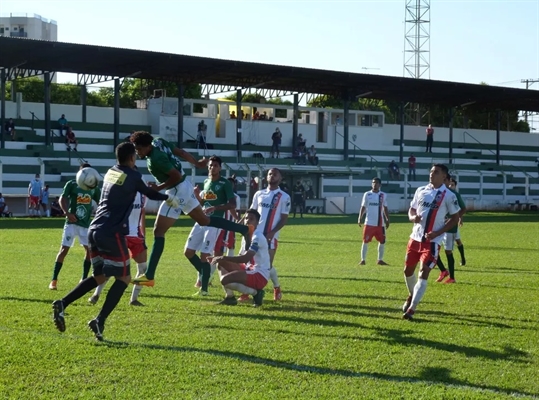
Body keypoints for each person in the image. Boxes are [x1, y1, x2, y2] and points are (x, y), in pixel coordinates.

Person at [51, 142, 177, 341]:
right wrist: (167, 198)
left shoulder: (111, 171)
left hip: (94, 229)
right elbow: (149, 193)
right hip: (112, 232)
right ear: (131, 158)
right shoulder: (133, 175)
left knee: (100, 277)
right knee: (124, 278)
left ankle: (63, 303)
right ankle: (99, 320)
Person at [129, 131, 253, 287]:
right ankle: (243, 229)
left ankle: (150, 275)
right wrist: (197, 163)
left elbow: (175, 176)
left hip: (176, 191)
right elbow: (180, 152)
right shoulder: (158, 141)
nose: (137, 152)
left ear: (147, 146)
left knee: (158, 231)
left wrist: (158, 187)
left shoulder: (156, 159)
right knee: (205, 220)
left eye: (139, 149)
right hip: (185, 187)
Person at [402, 164, 460, 320]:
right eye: (431, 171)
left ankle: (412, 309)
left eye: (436, 172)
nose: (432, 174)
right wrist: (412, 217)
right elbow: (412, 209)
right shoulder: (421, 190)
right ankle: (411, 295)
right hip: (414, 239)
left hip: (432, 242)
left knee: (423, 272)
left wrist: (438, 233)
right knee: (407, 271)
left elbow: (455, 218)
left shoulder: (449, 195)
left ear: (444, 177)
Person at [89, 186, 149, 306]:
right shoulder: (120, 193)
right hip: (121, 234)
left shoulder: (143, 194)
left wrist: (143, 233)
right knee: (112, 267)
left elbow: (142, 212)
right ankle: (96, 294)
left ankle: (133, 299)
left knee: (143, 269)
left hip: (137, 236)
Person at [185, 156, 236, 296]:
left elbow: (232, 204)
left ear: (220, 168)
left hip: (214, 222)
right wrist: (197, 196)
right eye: (210, 165)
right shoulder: (206, 182)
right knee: (188, 252)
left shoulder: (224, 183)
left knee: (205, 255)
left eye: (214, 165)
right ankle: (204, 272)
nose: (211, 167)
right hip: (201, 219)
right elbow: (204, 204)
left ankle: (204, 289)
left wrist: (215, 208)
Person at [49, 164, 101, 290]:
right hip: (71, 223)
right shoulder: (71, 184)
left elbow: (101, 203)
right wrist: (67, 212)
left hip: (85, 225)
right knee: (63, 250)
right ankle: (54, 280)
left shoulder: (93, 188)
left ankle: (83, 278)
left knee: (89, 251)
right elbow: (62, 198)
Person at [208, 209, 268, 307]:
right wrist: (218, 258)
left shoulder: (257, 237)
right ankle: (230, 297)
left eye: (251, 219)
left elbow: (245, 258)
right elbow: (242, 258)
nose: (247, 220)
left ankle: (256, 293)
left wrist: (223, 257)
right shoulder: (247, 235)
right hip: (249, 269)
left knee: (225, 280)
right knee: (221, 263)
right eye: (246, 218)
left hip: (259, 275)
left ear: (258, 222)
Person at [246, 168, 290, 301]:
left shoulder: (284, 197)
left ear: (280, 178)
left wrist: (272, 233)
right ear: (266, 177)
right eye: (270, 174)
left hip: (270, 236)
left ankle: (276, 287)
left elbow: (283, 219)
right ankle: (247, 292)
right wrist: (241, 225)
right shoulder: (259, 194)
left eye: (276, 174)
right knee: (249, 262)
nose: (272, 176)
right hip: (254, 234)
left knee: (267, 265)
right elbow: (250, 213)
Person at [435, 174, 467, 284]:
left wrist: (454, 220)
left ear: (448, 181)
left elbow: (463, 209)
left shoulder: (454, 194)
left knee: (448, 251)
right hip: (437, 226)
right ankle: (443, 271)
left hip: (449, 229)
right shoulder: (436, 192)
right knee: (432, 249)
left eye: (445, 180)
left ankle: (452, 277)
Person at [358, 177, 390, 266]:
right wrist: (360, 217)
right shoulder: (367, 194)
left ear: (380, 185)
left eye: (376, 183)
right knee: (365, 241)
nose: (374, 184)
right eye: (373, 183)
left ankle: (380, 260)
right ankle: (363, 260)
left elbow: (385, 208)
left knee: (382, 241)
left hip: (380, 224)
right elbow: (363, 206)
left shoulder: (383, 195)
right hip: (369, 223)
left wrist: (387, 219)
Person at [448, 177, 467, 266]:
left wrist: (459, 219)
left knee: (457, 241)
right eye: (449, 184)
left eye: (452, 185)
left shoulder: (455, 195)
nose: (450, 186)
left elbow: (460, 209)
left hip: (452, 223)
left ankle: (462, 258)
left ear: (455, 186)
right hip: (441, 222)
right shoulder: (445, 194)